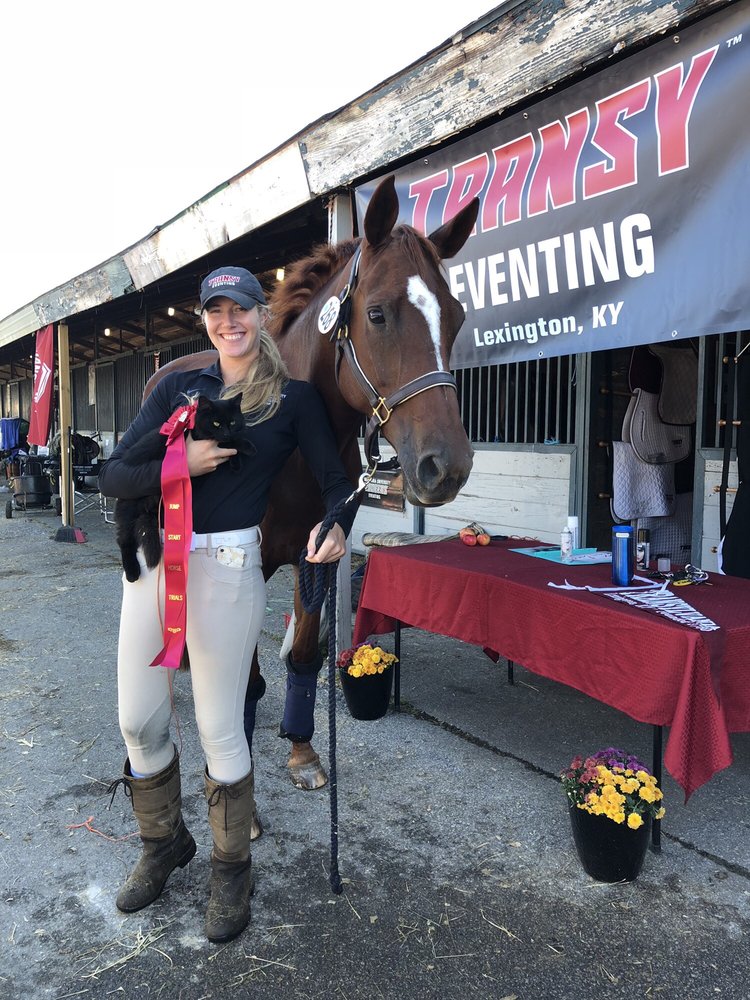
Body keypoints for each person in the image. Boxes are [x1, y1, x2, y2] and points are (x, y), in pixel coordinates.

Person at [99, 265, 357, 944]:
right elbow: (115, 472)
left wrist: (335, 528)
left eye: (239, 308)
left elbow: (337, 484)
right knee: (137, 719)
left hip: (229, 566)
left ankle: (229, 869)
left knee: (220, 730)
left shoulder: (294, 401)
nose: (228, 321)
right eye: (215, 310)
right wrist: (180, 463)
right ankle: (163, 844)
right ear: (206, 319)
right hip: (155, 564)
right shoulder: (181, 388)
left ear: (260, 314)